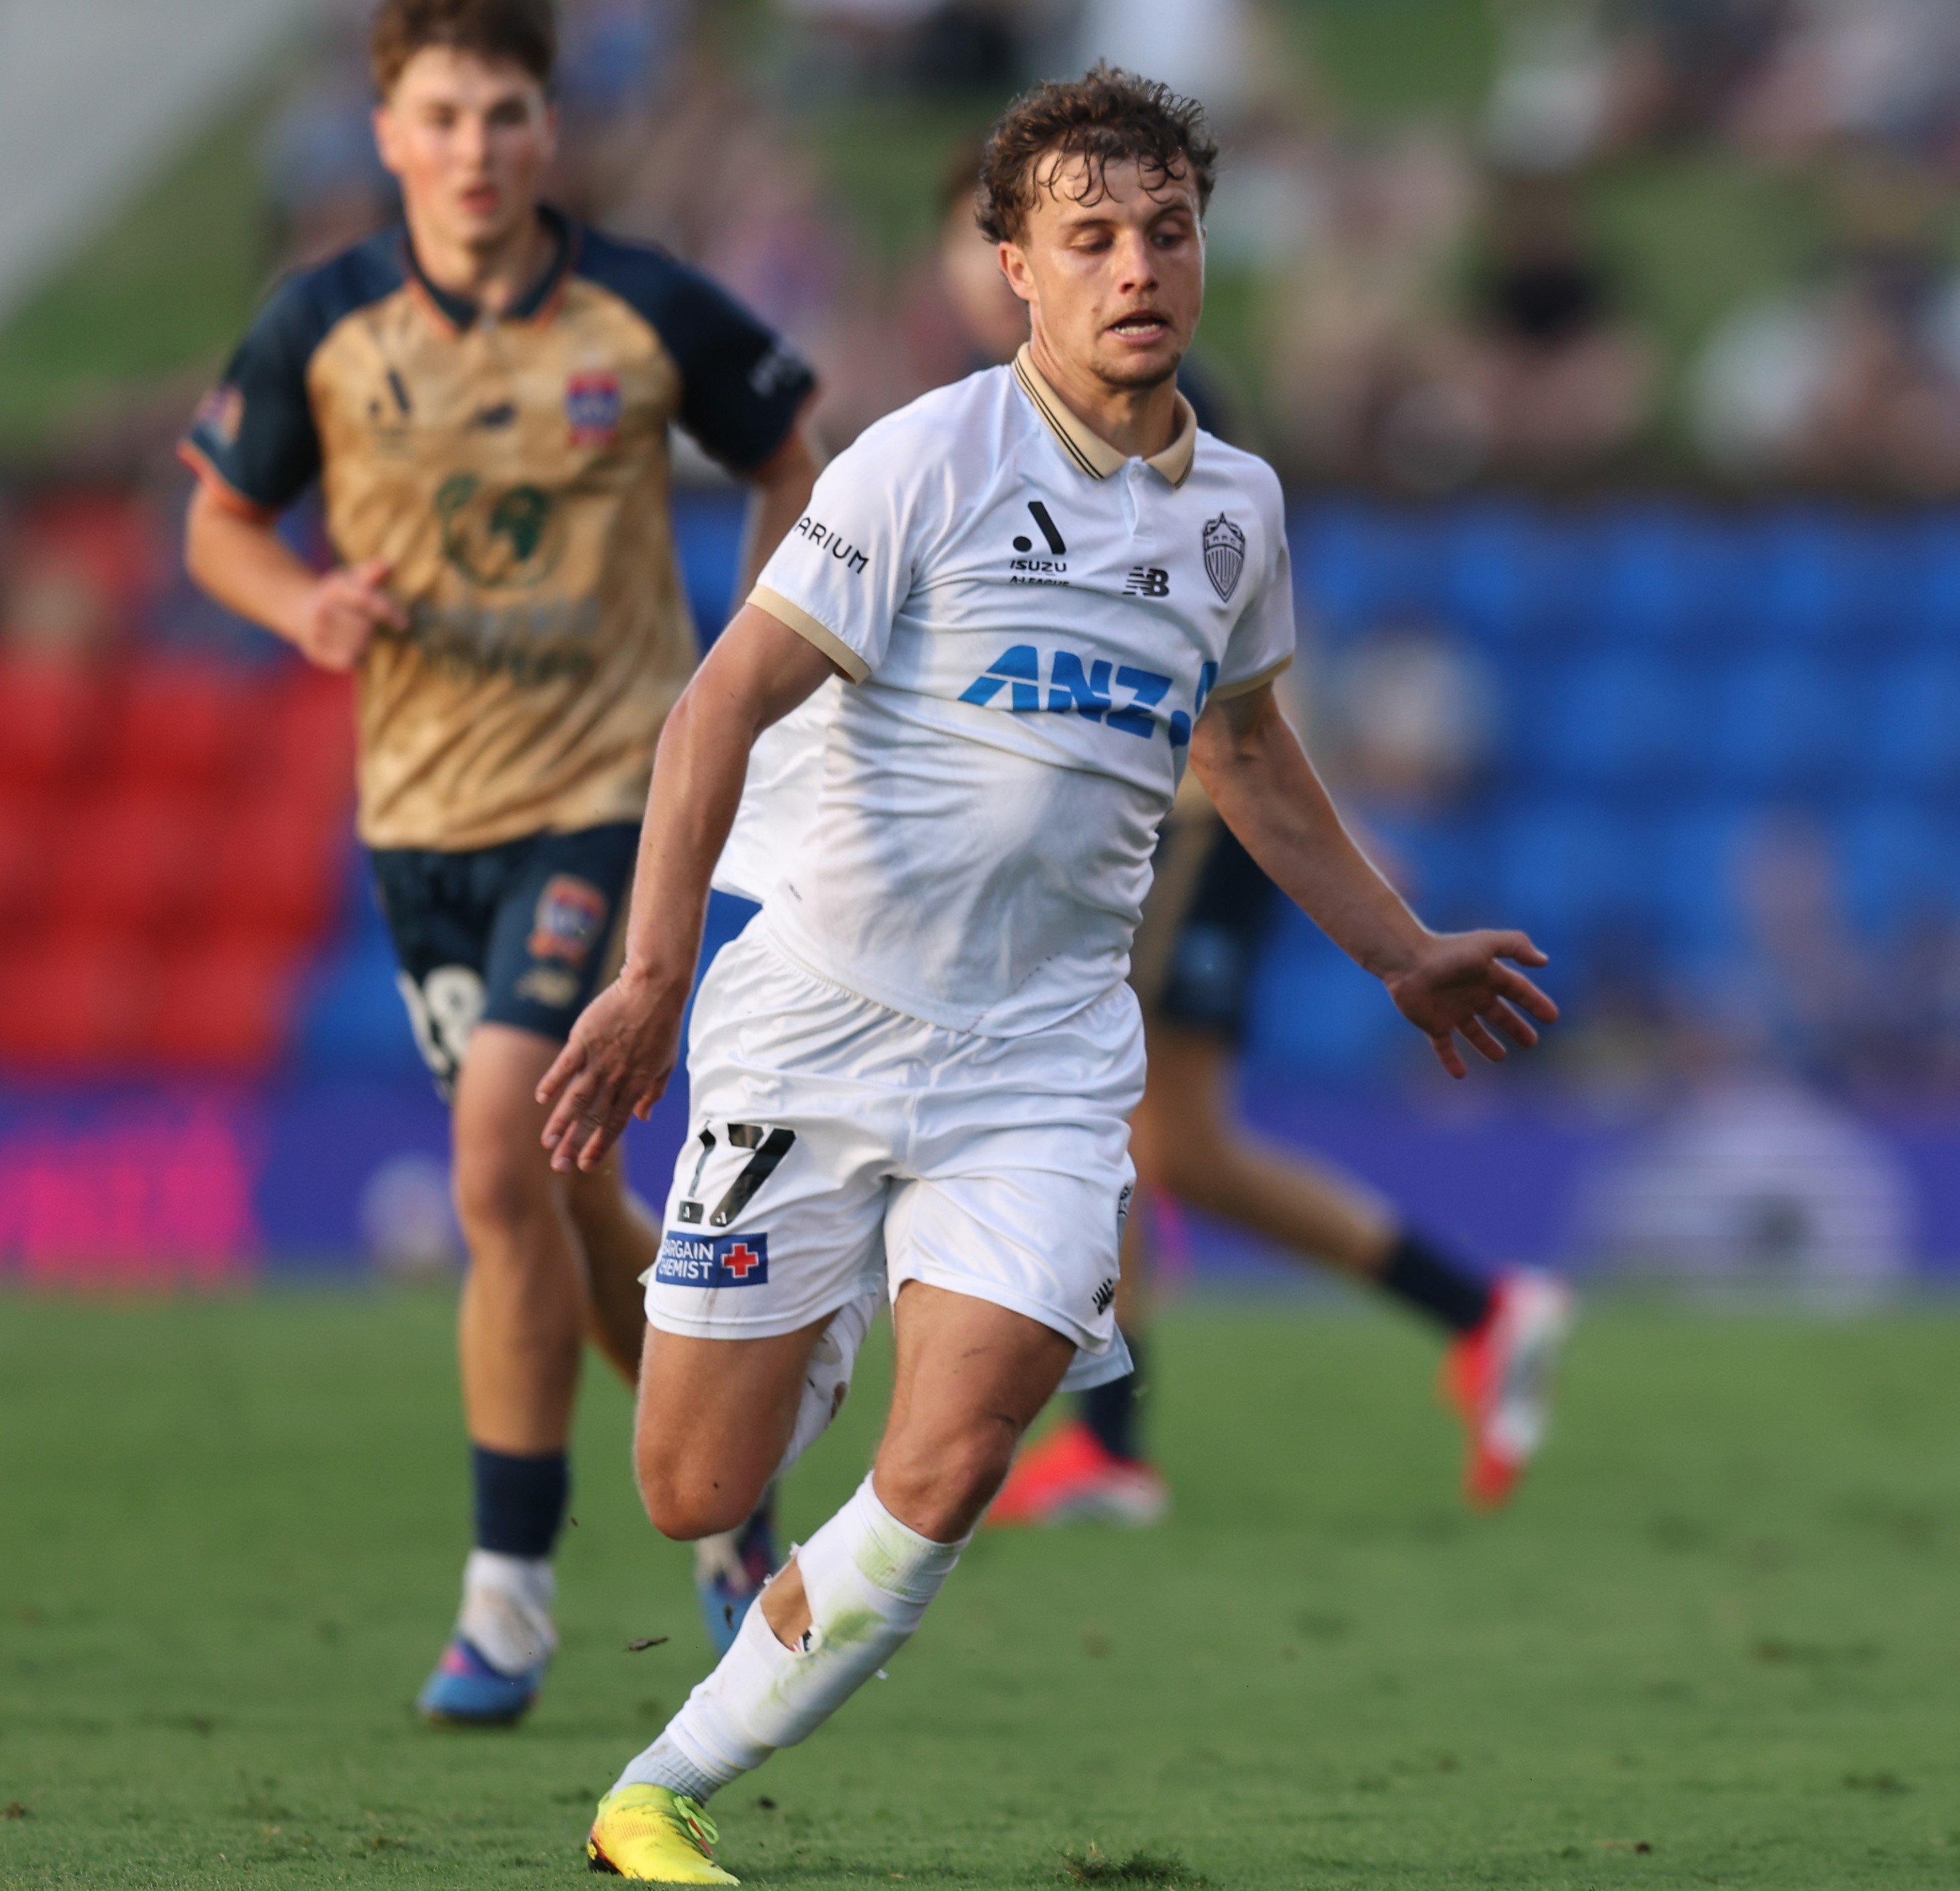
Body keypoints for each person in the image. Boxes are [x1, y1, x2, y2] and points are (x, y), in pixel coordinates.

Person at [541, 67, 1554, 1882]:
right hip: (821, 1014)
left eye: (1165, 230)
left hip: (1042, 1055)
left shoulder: (1234, 508)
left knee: (964, 1444)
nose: (1135, 267)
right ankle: (803, 1319)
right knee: (693, 1485)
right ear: (1014, 266)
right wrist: (646, 972)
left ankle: (655, 1794)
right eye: (1088, 238)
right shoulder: (924, 460)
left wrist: (1399, 949)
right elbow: (718, 708)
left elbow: (1246, 758)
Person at [177, 0, 821, 1728]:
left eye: (506, 113)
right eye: (443, 116)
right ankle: (720, 1496)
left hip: (609, 798)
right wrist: (299, 597)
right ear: (388, 134)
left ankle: (507, 1603)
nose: (476, 148)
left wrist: (753, 655)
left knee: (492, 1149)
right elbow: (218, 521)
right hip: (420, 828)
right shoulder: (325, 326)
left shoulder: (639, 303)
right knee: (557, 1184)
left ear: (552, 128)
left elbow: (792, 458)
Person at [985, 793, 1577, 1526]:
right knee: (1191, 1152)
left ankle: (1108, 1444)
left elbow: (1246, 702)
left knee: (1117, 1117)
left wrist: (1326, 834)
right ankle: (1479, 1309)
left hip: (1193, 819)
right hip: (1195, 818)